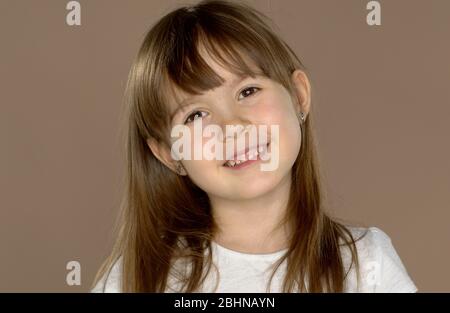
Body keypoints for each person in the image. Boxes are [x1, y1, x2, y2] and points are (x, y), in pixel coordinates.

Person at [91, 0, 417, 293]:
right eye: (196, 115)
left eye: (248, 91)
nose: (231, 126)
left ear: (298, 95)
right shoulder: (139, 279)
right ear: (168, 153)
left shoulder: (366, 263)